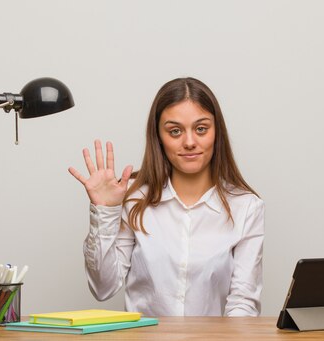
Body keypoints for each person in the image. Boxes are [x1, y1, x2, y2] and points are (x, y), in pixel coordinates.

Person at [68, 77, 264, 316]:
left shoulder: (246, 206)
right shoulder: (134, 199)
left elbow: (243, 303)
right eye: (175, 131)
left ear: (216, 132)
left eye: (201, 129)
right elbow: (103, 288)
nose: (189, 142)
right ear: (158, 137)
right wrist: (105, 211)